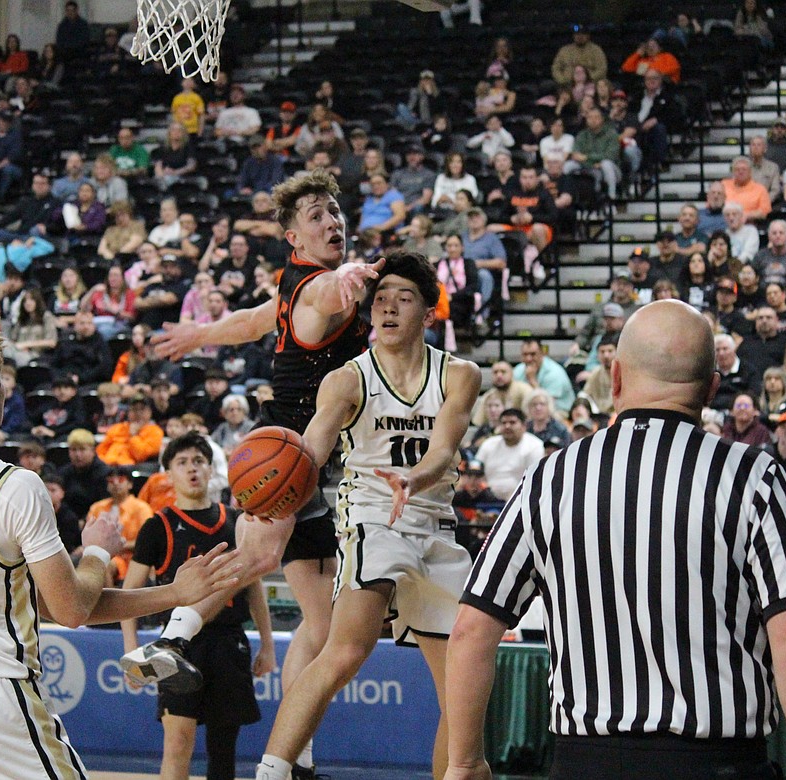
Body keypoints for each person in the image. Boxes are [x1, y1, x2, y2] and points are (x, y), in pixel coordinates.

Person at [445, 299, 786, 780]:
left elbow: (470, 631)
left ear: (616, 378)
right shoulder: (755, 477)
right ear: (712, 388)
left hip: (587, 763)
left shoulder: (550, 478)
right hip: (720, 761)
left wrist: (464, 762)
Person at [0, 327, 242, 777]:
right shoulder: (14, 486)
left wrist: (174, 593)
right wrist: (97, 553)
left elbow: (44, 602)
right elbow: (72, 609)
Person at [140, 171, 381, 775]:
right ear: (293, 235)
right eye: (317, 215)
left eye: (334, 211)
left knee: (321, 628)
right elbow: (330, 293)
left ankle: (292, 757)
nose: (332, 221)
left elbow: (253, 320)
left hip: (321, 465)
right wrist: (350, 277)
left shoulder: (292, 284)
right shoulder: (320, 285)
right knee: (259, 555)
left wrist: (200, 334)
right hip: (291, 455)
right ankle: (171, 636)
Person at [252, 251, 480, 780]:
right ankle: (272, 771)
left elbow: (444, 449)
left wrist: (414, 479)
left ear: (429, 313)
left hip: (435, 527)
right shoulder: (347, 379)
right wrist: (274, 493)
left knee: (461, 695)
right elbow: (311, 451)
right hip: (372, 520)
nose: (389, 307)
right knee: (346, 651)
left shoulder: (459, 374)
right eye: (380, 299)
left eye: (404, 298)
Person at [122, 432, 274, 780]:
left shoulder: (236, 521)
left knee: (224, 750)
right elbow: (130, 593)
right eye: (182, 462)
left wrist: (267, 644)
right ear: (168, 474)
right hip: (178, 646)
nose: (192, 468)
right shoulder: (156, 526)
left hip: (228, 641)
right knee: (178, 744)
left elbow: (254, 586)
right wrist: (131, 650)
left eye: (199, 461)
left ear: (210, 469)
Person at [474, 408, 545, 500]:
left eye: (512, 422)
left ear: (524, 426)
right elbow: (476, 470)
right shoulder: (489, 444)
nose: (507, 426)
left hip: (521, 499)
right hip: (487, 498)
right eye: (504, 423)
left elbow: (535, 480)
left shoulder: (535, 446)